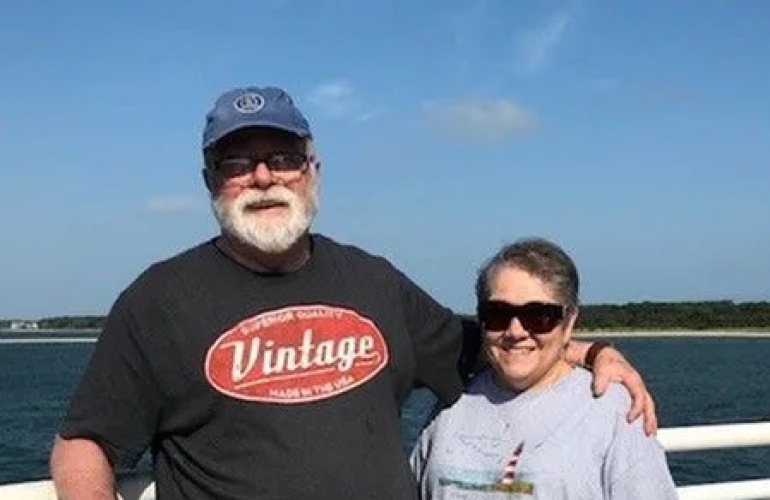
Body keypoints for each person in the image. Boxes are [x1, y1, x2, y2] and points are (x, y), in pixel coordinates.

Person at [50, 86, 655, 500]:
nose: (264, 177)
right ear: (211, 181)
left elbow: (497, 341)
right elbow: (84, 444)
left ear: (313, 170)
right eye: (239, 163)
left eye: (283, 157)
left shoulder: (374, 282)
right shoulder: (159, 300)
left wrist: (592, 351)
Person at [410, 237, 677, 499]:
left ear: (568, 322)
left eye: (538, 316)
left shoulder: (615, 412)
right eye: (498, 314)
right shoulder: (451, 404)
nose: (515, 331)